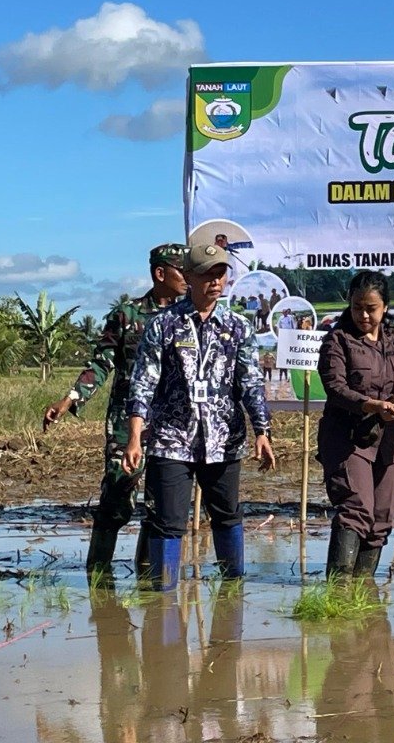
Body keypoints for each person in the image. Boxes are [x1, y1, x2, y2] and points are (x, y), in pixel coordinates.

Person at [124, 242, 276, 590]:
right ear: (189, 277)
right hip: (171, 439)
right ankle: (164, 612)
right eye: (207, 274)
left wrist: (262, 432)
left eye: (220, 274)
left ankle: (231, 599)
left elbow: (251, 381)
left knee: (226, 517)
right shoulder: (164, 325)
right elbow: (144, 382)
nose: (215, 281)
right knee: (167, 522)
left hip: (223, 440)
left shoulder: (238, 327)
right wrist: (135, 435)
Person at [43, 242, 187, 580]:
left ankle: (150, 577)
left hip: (173, 424)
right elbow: (101, 363)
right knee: (119, 492)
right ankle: (99, 574)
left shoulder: (188, 317)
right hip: (127, 421)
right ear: (160, 273)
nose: (187, 277)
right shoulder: (127, 315)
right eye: (181, 270)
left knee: (161, 502)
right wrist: (69, 399)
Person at [318, 270, 394, 579]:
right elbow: (335, 388)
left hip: (388, 438)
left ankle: (364, 594)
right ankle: (337, 593)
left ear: (385, 306)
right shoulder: (338, 339)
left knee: (381, 516)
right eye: (357, 307)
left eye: (371, 308)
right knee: (356, 507)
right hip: (348, 436)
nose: (364, 315)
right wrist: (372, 405)